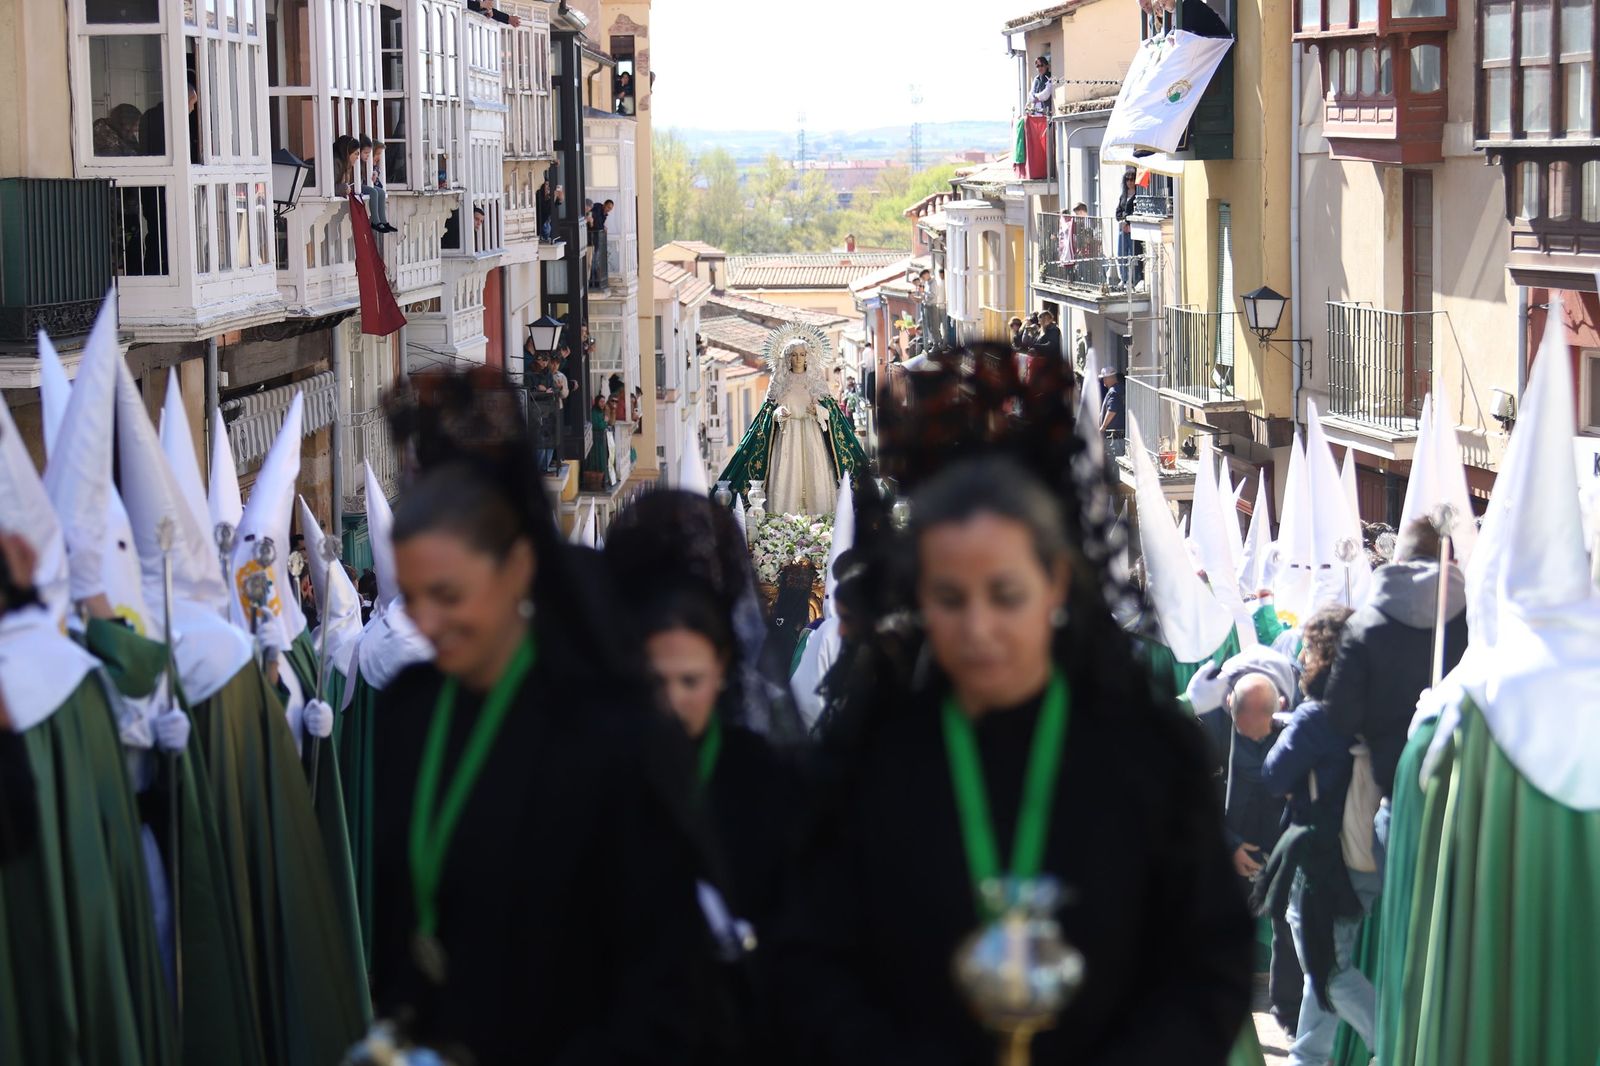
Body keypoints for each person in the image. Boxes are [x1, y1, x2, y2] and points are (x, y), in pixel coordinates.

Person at [776, 451, 1253, 1064]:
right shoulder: (868, 757)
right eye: (951, 596)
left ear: (1053, 584)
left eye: (1005, 594)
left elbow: (1208, 955)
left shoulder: (1144, 752)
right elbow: (811, 961)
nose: (979, 626)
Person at [368, 371, 715, 1064]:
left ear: (518, 567)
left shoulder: (612, 734)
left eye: (448, 594)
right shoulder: (411, 709)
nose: (426, 623)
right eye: (409, 597)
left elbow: (664, 976)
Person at [1258, 607, 1376, 1066]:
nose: (1302, 656)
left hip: (1321, 859)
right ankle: (1307, 1059)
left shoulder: (1315, 716)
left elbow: (1273, 776)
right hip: (1366, 850)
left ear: (1323, 654)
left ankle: (1393, 1042)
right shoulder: (1373, 707)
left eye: (1308, 648)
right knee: (1322, 965)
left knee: (1329, 970)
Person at [1322, 516, 1467, 875]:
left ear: (1398, 559)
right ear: (1450, 560)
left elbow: (1340, 715)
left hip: (1393, 786)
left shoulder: (1364, 624)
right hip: (1462, 793)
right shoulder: (1477, 618)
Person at [1194, 662, 1303, 1034]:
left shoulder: (1298, 717)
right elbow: (1194, 799)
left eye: (1264, 736)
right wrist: (1231, 846)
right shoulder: (1209, 724)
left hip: (1280, 837)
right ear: (1228, 706)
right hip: (1232, 837)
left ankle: (1287, 1012)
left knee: (1287, 925)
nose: (1257, 743)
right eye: (1247, 736)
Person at [1113, 169, 1145, 289]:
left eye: (1132, 179)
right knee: (1121, 254)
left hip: (1133, 231)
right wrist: (1123, 220)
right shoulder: (1123, 196)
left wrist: (1127, 220)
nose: (1130, 182)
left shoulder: (1138, 196)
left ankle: (1134, 280)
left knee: (1133, 255)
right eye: (1127, 179)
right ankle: (1124, 279)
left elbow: (1135, 212)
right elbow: (1118, 212)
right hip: (1123, 229)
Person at [363, 137, 397, 234]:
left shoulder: (373, 166)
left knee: (381, 192)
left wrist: (375, 172)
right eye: (377, 154)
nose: (379, 157)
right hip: (361, 185)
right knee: (374, 192)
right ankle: (375, 221)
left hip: (368, 185)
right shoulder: (364, 163)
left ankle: (383, 221)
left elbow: (376, 170)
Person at [1098, 364, 1125, 457]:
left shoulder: (1113, 392)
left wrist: (1103, 427)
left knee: (1114, 460)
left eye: (1104, 378)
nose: (1103, 380)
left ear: (1111, 378)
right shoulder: (1119, 389)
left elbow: (1112, 410)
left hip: (1114, 435)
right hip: (1118, 434)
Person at [589, 199, 613, 288]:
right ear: (604, 205)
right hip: (591, 239)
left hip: (596, 240)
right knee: (593, 261)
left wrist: (603, 226)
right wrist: (602, 227)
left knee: (595, 261)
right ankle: (593, 282)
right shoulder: (597, 209)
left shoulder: (603, 214)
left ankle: (594, 281)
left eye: (610, 209)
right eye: (608, 207)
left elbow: (599, 224)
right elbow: (596, 223)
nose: (608, 210)